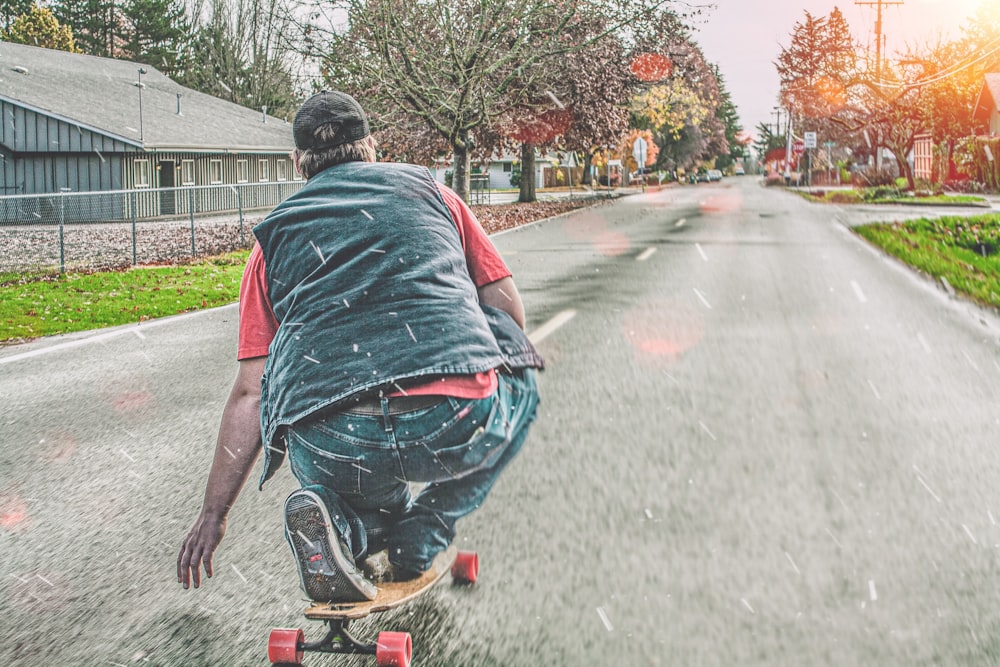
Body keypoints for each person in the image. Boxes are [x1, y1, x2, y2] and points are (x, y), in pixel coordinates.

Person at [177, 90, 542, 602]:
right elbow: (507, 312)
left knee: (364, 480)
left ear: (298, 161)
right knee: (522, 381)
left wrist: (213, 515)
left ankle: (344, 531)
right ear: (372, 145)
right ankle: (422, 535)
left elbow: (250, 395)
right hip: (449, 418)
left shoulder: (272, 241)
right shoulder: (433, 194)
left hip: (332, 437)